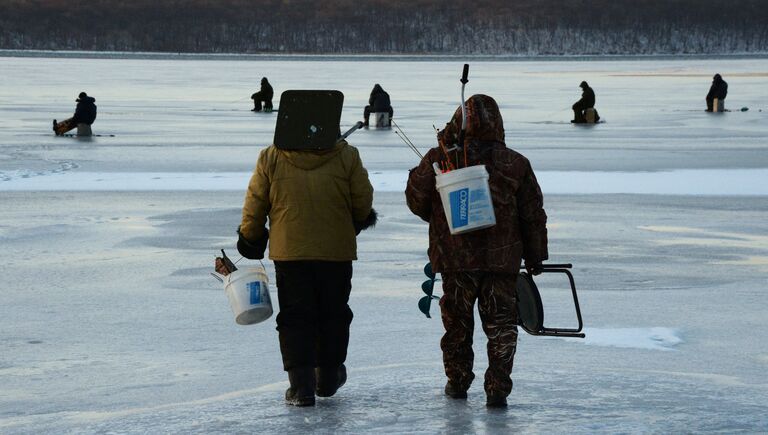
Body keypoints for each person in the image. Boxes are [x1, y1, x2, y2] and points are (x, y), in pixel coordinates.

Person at [405, 94, 548, 408]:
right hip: (501, 261)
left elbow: (416, 201)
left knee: (457, 325)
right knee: (501, 327)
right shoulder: (515, 162)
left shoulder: (438, 158)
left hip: (456, 261)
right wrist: (536, 256)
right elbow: (533, 215)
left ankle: (457, 383)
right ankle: (497, 389)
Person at [237, 130, 376, 407]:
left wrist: (250, 237)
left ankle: (301, 387)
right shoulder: (347, 155)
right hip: (336, 251)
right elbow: (363, 200)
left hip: (291, 253)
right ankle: (327, 377)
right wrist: (357, 222)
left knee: (295, 316)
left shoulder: (271, 156)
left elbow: (255, 203)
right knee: (333, 313)